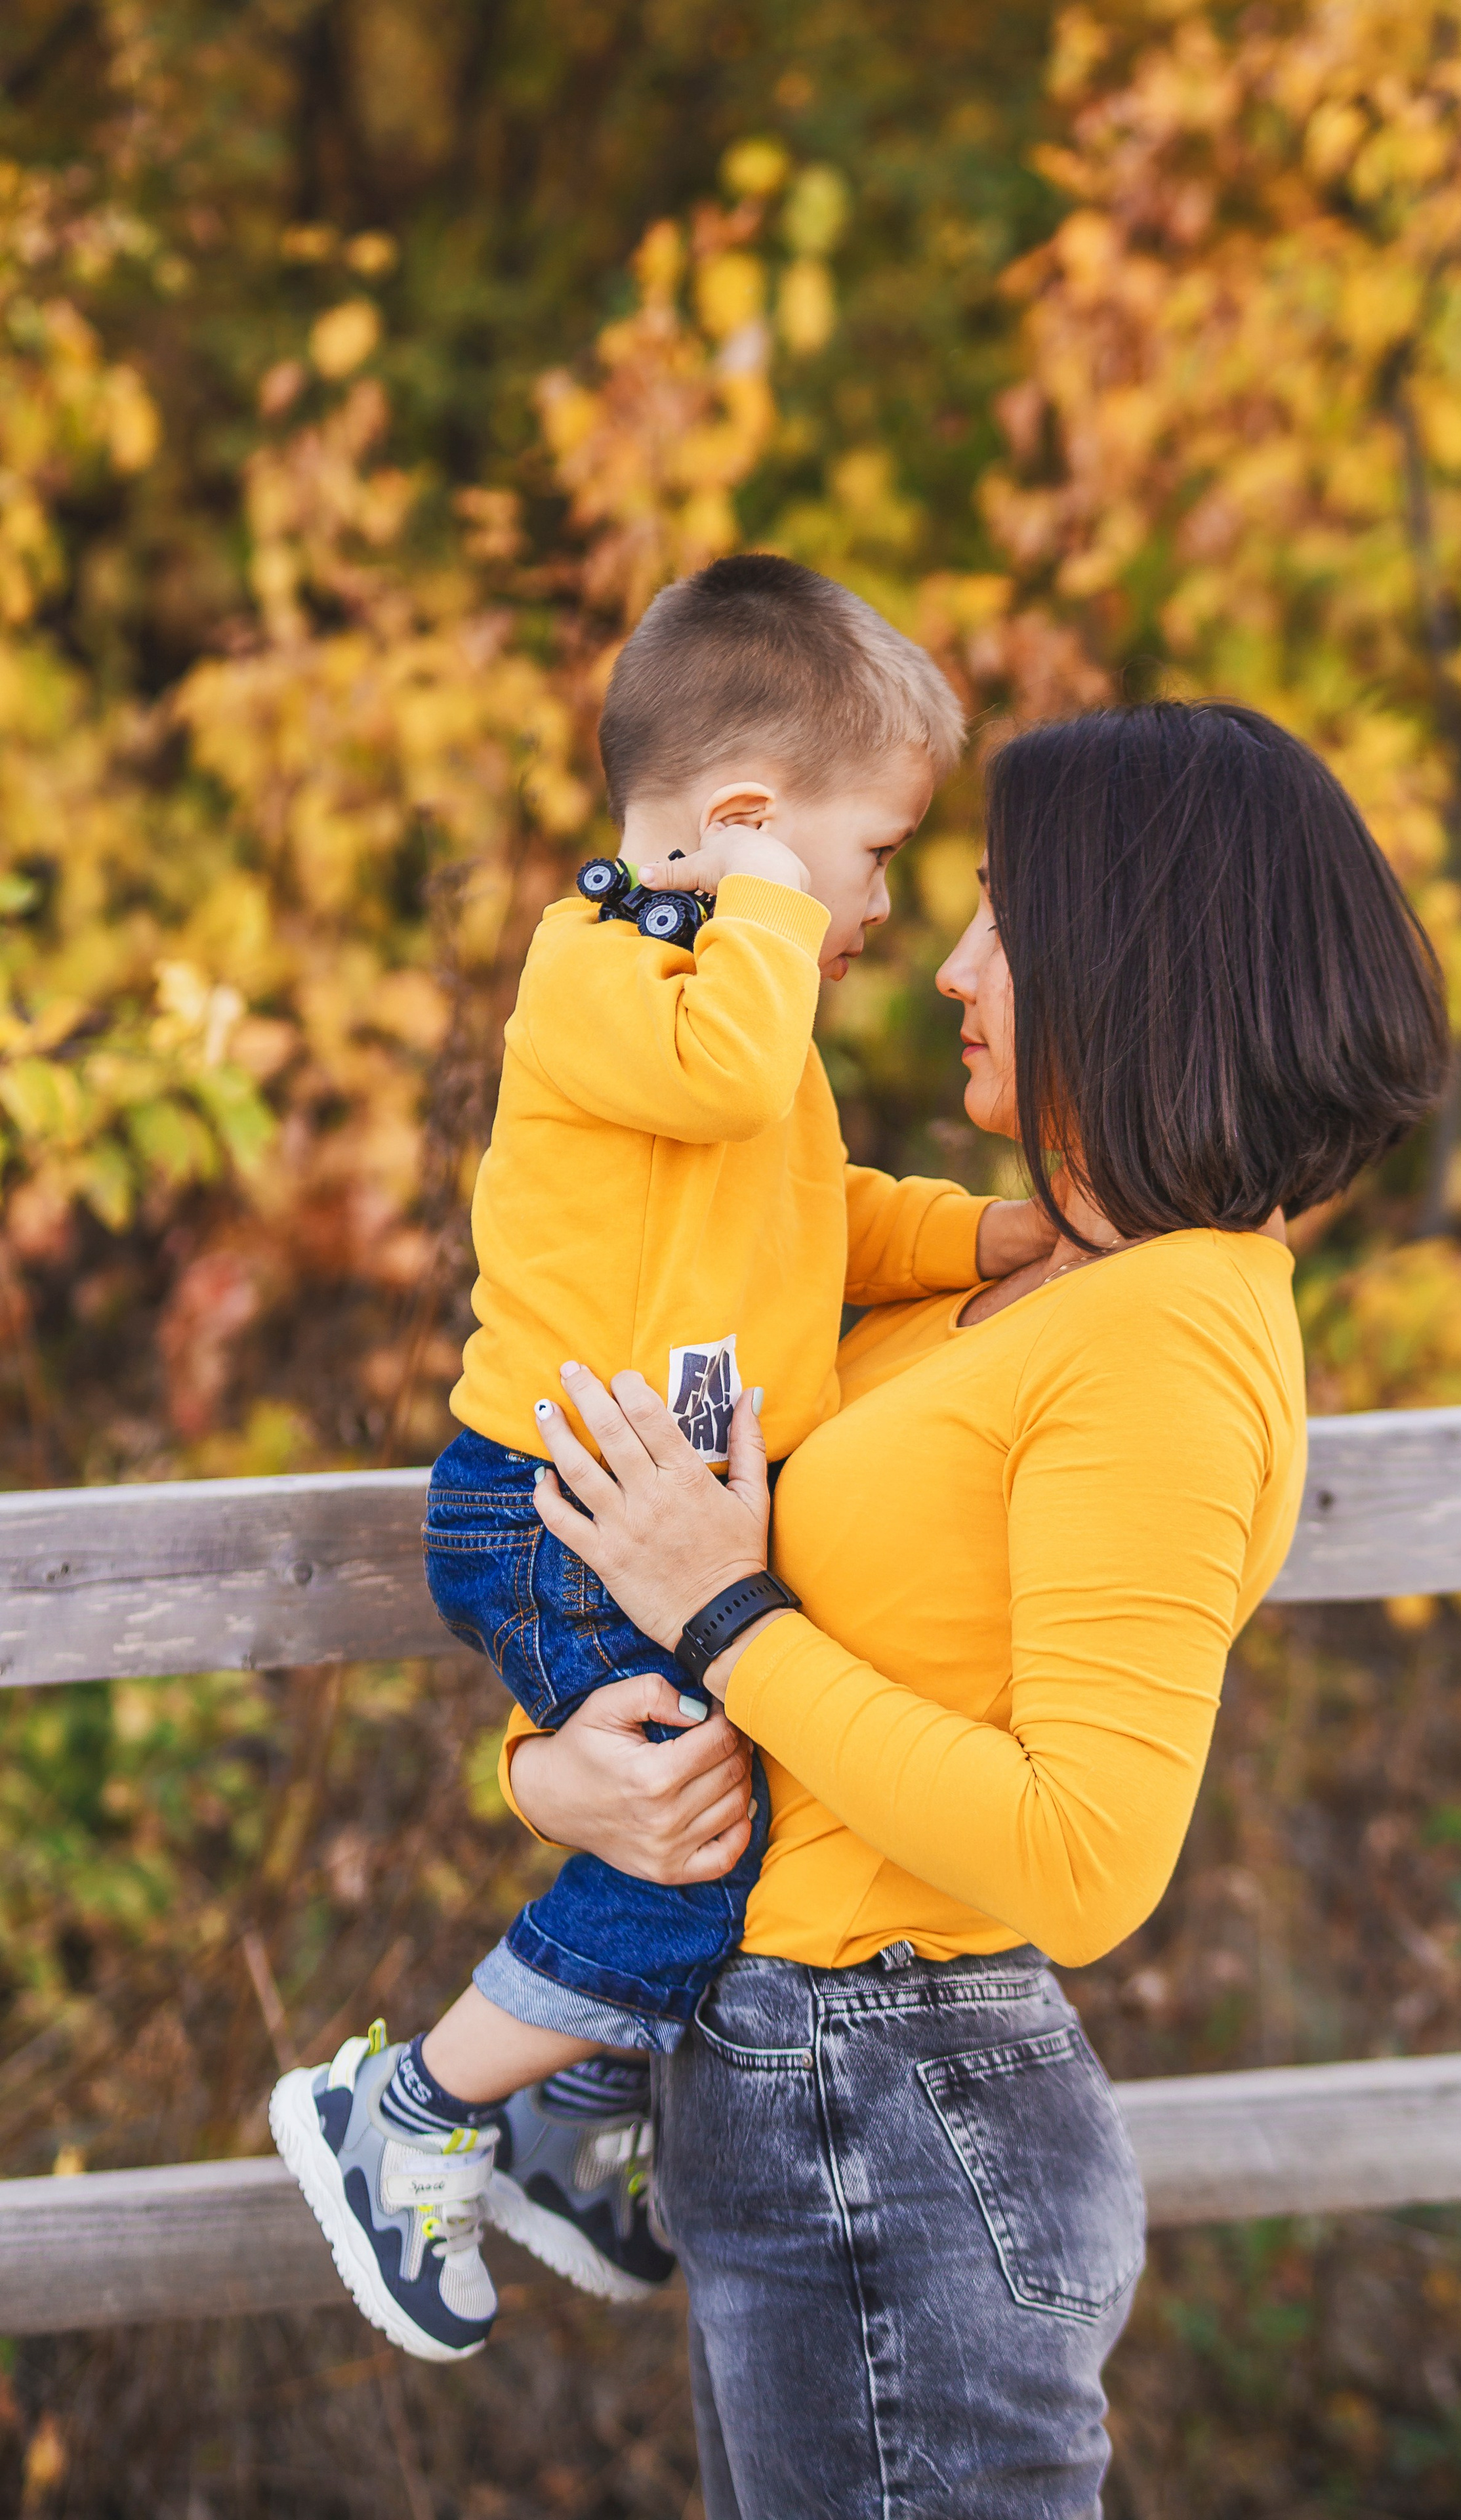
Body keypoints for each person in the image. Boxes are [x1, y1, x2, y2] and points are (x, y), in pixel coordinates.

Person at [499, 701, 1449, 2517]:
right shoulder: (1002, 1291)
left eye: (1003, 914)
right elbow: (680, 1626)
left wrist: (730, 1618)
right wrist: (549, 1775)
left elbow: (1085, 1860)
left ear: (1135, 954)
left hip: (900, 2115)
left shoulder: (1167, 1337)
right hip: (798, 2095)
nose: (946, 964)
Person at [268, 554, 1059, 2361]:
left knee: (716, 1820)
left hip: (643, 1519)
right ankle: (413, 2111)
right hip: (559, 1512)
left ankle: (566, 2120)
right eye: (867, 860)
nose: (878, 910)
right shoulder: (604, 969)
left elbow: (813, 1217)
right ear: (748, 826)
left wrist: (971, 1240)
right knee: (691, 1843)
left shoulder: (740, 1014)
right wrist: (773, 910)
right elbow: (722, 1086)